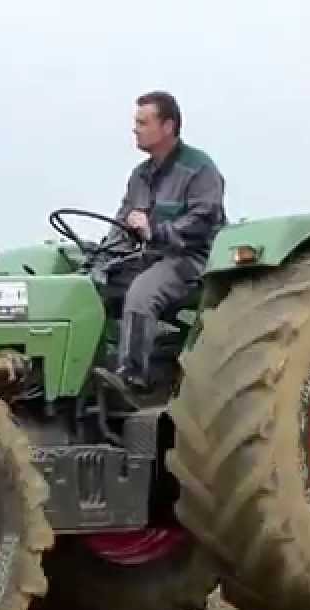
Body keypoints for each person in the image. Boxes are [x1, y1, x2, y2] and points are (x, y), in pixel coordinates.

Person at [96, 91, 227, 403]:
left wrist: (153, 231)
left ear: (167, 126)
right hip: (149, 256)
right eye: (135, 122)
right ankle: (95, 370)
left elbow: (202, 221)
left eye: (143, 122)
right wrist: (103, 254)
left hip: (192, 258)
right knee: (96, 284)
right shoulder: (140, 176)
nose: (135, 129)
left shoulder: (199, 170)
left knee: (142, 293)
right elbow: (122, 223)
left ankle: (134, 379)